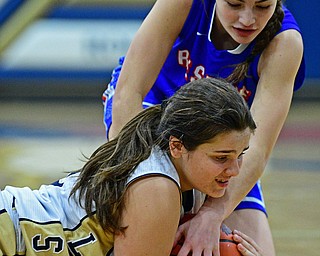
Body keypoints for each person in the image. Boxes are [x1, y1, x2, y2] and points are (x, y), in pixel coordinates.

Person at [102, 0, 305, 255]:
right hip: (152, 111)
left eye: (262, 6)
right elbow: (128, 92)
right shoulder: (184, 4)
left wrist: (212, 213)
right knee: (152, 208)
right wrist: (136, 182)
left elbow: (258, 149)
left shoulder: (285, 42)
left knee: (253, 251)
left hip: (224, 145)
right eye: (234, 3)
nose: (247, 19)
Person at [0, 78, 261, 255]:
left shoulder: (181, 173)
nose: (235, 170)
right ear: (178, 146)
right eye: (221, 157)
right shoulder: (157, 187)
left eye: (241, 155)